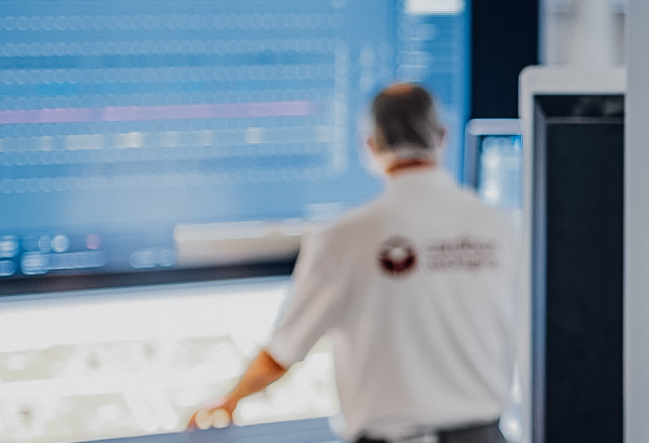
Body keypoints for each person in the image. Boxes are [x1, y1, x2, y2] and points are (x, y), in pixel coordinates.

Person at [188, 83, 519, 443]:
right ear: (443, 136)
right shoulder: (502, 227)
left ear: (370, 146)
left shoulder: (344, 238)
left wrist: (231, 400)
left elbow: (282, 353)